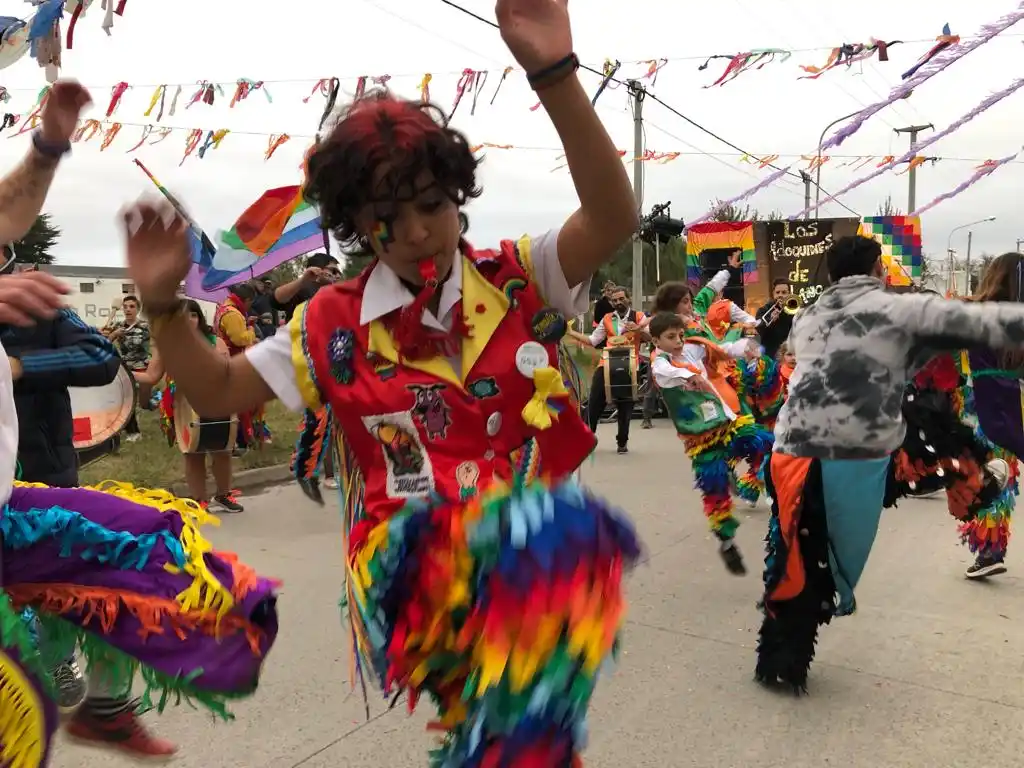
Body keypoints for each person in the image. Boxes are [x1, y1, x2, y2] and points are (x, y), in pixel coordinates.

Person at [123, 3, 642, 762]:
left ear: (458, 198)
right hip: (418, 571)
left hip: (536, 569)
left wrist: (555, 74)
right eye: (385, 218)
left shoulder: (521, 278)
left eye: (432, 206)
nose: (416, 232)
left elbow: (613, 214)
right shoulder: (331, 322)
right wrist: (166, 306)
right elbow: (222, 392)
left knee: (526, 725)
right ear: (355, 224)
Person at [0, 266, 279, 767]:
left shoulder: (32, 305)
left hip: (32, 482)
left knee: (141, 539)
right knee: (18, 701)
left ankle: (102, 704)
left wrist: (23, 366)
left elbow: (98, 356)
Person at [757, 235, 1024, 694]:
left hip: (789, 453)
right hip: (848, 456)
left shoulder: (809, 314)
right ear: (879, 268)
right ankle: (974, 484)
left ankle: (781, 658)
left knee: (795, 551)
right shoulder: (894, 309)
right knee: (934, 438)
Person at [648, 311, 770, 574]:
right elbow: (666, 371)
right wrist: (689, 376)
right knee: (715, 494)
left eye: (680, 335)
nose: (679, 341)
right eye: (671, 337)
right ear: (656, 341)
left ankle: (754, 483)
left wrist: (743, 348)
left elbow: (719, 349)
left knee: (761, 442)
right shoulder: (661, 363)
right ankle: (727, 543)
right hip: (700, 439)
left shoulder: (691, 350)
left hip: (726, 424)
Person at [136, 299, 243, 513]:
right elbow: (151, 375)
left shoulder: (215, 341)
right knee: (193, 453)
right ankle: (198, 500)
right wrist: (122, 373)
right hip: (186, 407)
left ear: (199, 318)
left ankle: (223, 494)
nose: (189, 320)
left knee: (222, 451)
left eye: (193, 315)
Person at [271, 253, 343, 493]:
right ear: (317, 270)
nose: (334, 274)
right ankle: (327, 473)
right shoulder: (304, 290)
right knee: (325, 419)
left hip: (340, 361)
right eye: (330, 270)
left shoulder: (339, 293)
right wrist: (304, 279)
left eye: (336, 271)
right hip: (311, 365)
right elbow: (277, 298)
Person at [570, 285, 647, 453]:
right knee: (594, 402)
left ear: (629, 299)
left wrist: (639, 328)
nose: (618, 302)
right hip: (606, 364)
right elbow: (593, 340)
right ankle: (586, 439)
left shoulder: (639, 317)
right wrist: (569, 332)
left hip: (630, 365)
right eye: (615, 300)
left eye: (621, 299)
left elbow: (651, 335)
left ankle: (622, 442)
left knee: (625, 405)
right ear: (611, 302)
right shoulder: (607, 318)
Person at [214, 282, 266, 451]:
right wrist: (251, 329)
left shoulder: (223, 309)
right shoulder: (233, 313)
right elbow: (240, 339)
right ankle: (244, 440)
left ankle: (242, 438)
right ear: (247, 299)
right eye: (251, 302)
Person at [104, 294, 151, 441]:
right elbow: (104, 343)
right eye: (125, 307)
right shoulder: (118, 326)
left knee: (140, 402)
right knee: (125, 400)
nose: (128, 309)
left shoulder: (145, 326)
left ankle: (133, 426)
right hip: (124, 368)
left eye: (131, 306)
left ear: (138, 309)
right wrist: (113, 335)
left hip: (141, 367)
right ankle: (132, 432)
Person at [754, 278, 794, 359]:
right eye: (777, 292)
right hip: (770, 355)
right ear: (773, 294)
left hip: (790, 355)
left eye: (784, 292)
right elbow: (759, 329)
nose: (780, 295)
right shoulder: (763, 310)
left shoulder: (793, 310)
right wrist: (770, 319)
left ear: (789, 294)